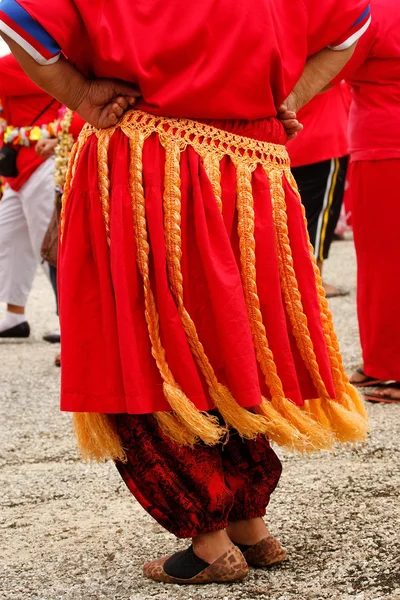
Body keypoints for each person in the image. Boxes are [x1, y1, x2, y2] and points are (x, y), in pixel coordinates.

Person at [0, 0, 370, 585]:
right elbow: (353, 27)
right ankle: (250, 523)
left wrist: (80, 93)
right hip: (250, 174)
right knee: (233, 342)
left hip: (151, 164)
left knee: (153, 350)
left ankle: (209, 541)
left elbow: (17, 21)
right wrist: (292, 96)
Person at [333, 0, 400, 404]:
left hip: (383, 143)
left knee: (383, 262)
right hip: (383, 140)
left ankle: (389, 368)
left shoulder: (375, 11)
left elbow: (330, 70)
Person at [0, 53, 60, 338]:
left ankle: (70, 323)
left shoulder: (24, 61)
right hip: (18, 167)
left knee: (54, 249)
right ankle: (14, 317)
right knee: (8, 239)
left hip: (44, 162)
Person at [287, 84, 351, 298]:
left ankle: (298, 280)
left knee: (294, 218)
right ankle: (314, 282)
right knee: (320, 219)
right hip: (324, 142)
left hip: (292, 144)